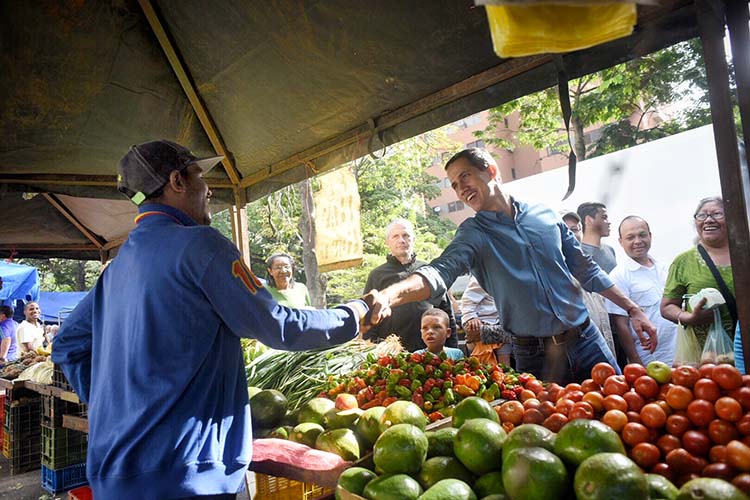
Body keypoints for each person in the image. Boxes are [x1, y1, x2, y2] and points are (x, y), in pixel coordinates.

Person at [51, 139, 368, 500]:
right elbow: (278, 325)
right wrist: (355, 313)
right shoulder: (200, 246)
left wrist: (118, 409)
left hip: (113, 473)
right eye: (201, 176)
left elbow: (67, 343)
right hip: (185, 477)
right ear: (177, 182)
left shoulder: (116, 269)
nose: (209, 189)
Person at [364, 148, 656, 385]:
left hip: (586, 339)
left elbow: (586, 269)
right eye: (454, 185)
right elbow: (439, 272)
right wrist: (389, 296)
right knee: (552, 440)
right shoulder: (473, 234)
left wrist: (633, 309)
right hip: (534, 354)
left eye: (464, 176)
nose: (460, 188)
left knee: (623, 416)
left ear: (491, 170)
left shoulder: (545, 216)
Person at [363, 218, 457, 352]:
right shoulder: (377, 275)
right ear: (387, 242)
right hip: (392, 353)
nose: (401, 240)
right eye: (395, 236)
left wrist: (453, 350)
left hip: (431, 352)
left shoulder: (428, 271)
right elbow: (369, 319)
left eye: (406, 235)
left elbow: (446, 312)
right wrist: (372, 351)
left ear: (413, 239)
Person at [661, 196, 735, 348]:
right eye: (702, 215)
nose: (708, 220)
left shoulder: (744, 254)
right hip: (706, 352)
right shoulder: (683, 261)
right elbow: (667, 307)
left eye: (717, 214)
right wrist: (689, 318)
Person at [606, 216, 677, 366]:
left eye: (642, 235)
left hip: (680, 353)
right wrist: (636, 363)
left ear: (650, 236)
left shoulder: (666, 268)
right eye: (630, 237)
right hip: (651, 359)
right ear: (621, 242)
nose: (637, 241)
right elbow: (621, 326)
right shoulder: (618, 276)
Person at [560, 210, 617, 358]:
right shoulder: (555, 275)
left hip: (605, 352)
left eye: (575, 229)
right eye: (565, 230)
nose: (571, 235)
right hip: (579, 358)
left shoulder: (591, 270)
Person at [459, 275, 511, 365]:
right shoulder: (483, 278)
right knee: (481, 360)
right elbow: (467, 301)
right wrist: (471, 317)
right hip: (482, 320)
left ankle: (506, 375)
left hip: (499, 323)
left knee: (504, 355)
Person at [577, 202, 617, 273]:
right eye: (604, 217)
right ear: (588, 220)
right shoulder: (578, 252)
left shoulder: (610, 250)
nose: (608, 222)